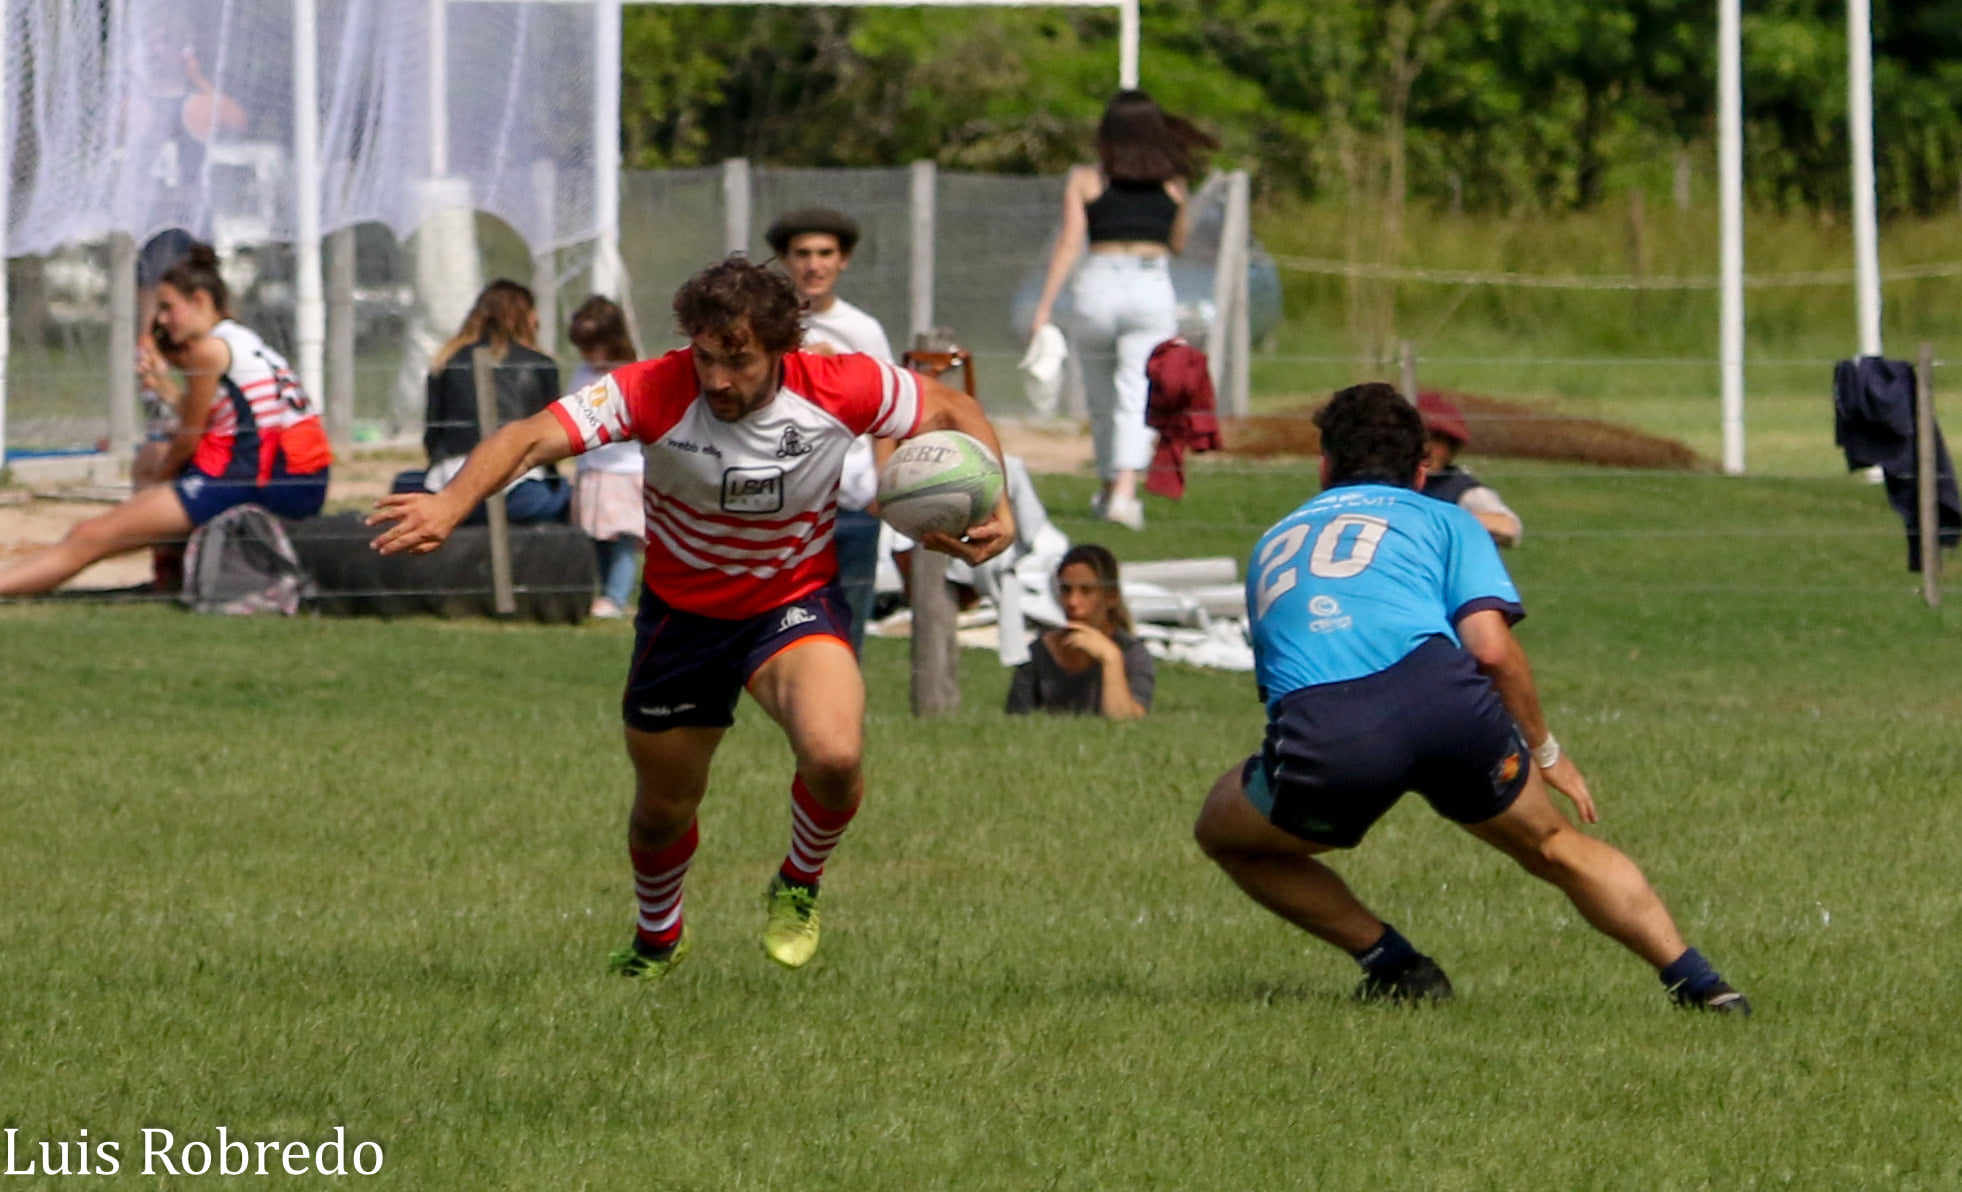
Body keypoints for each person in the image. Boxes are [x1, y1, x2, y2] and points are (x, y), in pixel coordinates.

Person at [368, 256, 1016, 980]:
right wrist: (451, 502)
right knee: (663, 809)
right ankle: (658, 935)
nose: (717, 379)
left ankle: (798, 881)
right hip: (683, 619)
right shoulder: (652, 388)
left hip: (790, 601)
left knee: (835, 756)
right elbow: (528, 436)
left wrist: (999, 503)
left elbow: (953, 409)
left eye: (738, 361)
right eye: (706, 357)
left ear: (783, 350)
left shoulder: (841, 384)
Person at [1191, 383, 1749, 1013]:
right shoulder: (1447, 519)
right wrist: (1545, 750)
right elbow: (1490, 650)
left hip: (1335, 728)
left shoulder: (1273, 542)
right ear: (1421, 471)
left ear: (1323, 467)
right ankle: (1704, 986)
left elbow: (1285, 685)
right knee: (1554, 844)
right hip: (1447, 705)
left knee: (1224, 831)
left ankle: (1397, 966)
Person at [0, 245, 331, 597]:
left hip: (249, 483)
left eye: (167, 307)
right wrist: (165, 387)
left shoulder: (209, 351)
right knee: (151, 456)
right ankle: (169, 579)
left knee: (89, 535)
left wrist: (159, 488)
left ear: (200, 300)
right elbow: (222, 422)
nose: (160, 319)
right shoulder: (245, 342)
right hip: (295, 482)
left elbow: (188, 441)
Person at [1030, 89, 1216, 533]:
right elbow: (1178, 242)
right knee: (1137, 394)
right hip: (1149, 285)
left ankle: (1108, 484)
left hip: (1098, 284)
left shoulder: (1085, 179)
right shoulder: (1173, 183)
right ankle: (1124, 494)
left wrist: (1045, 306)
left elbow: (1070, 243)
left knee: (1099, 396)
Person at [765, 206, 895, 654]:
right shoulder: (766, 326)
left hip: (852, 499)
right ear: (785, 260)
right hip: (783, 499)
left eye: (825, 253)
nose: (813, 265)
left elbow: (885, 409)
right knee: (781, 625)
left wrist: (884, 480)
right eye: (802, 254)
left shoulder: (862, 330)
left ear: (844, 260)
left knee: (848, 619)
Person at [409, 280, 568, 524]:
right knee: (568, 494)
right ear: (525, 317)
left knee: (404, 483)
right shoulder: (540, 364)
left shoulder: (446, 361)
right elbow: (554, 438)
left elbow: (433, 433)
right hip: (521, 489)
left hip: (450, 482)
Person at [1005, 544, 1153, 719]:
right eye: (1066, 590)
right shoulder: (1038, 653)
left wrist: (1111, 659)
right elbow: (1016, 722)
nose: (1072, 602)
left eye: (1086, 591)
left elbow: (1125, 722)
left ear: (1111, 597)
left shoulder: (1132, 654)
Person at [565, 296, 644, 619]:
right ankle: (601, 591)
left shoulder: (632, 373)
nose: (588, 355)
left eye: (593, 347)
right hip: (592, 468)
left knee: (622, 536)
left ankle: (616, 596)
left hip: (625, 470)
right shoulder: (583, 374)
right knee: (595, 535)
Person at [1418, 392, 1523, 548]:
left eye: (1438, 441)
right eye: (1423, 439)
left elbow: (1508, 527)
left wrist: (1443, 520)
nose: (1427, 449)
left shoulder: (1462, 489)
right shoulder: (1387, 478)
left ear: (1451, 450)